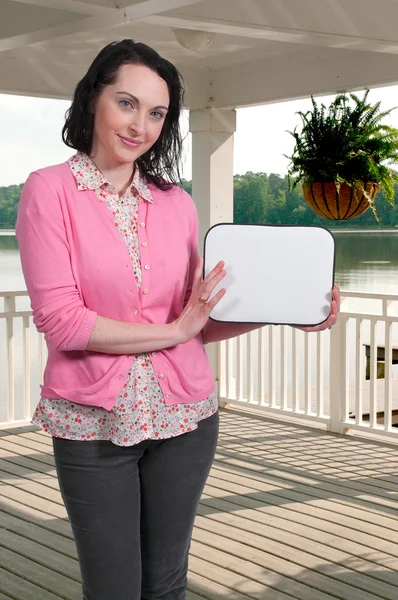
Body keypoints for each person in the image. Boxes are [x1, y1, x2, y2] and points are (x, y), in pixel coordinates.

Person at [16, 39, 340, 600]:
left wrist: (287, 311)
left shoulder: (177, 204)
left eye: (157, 113)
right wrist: (175, 331)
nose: (140, 125)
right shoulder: (49, 191)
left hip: (186, 419)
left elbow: (199, 320)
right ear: (93, 98)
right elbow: (62, 322)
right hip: (93, 424)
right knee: (113, 588)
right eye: (127, 103)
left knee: (166, 584)